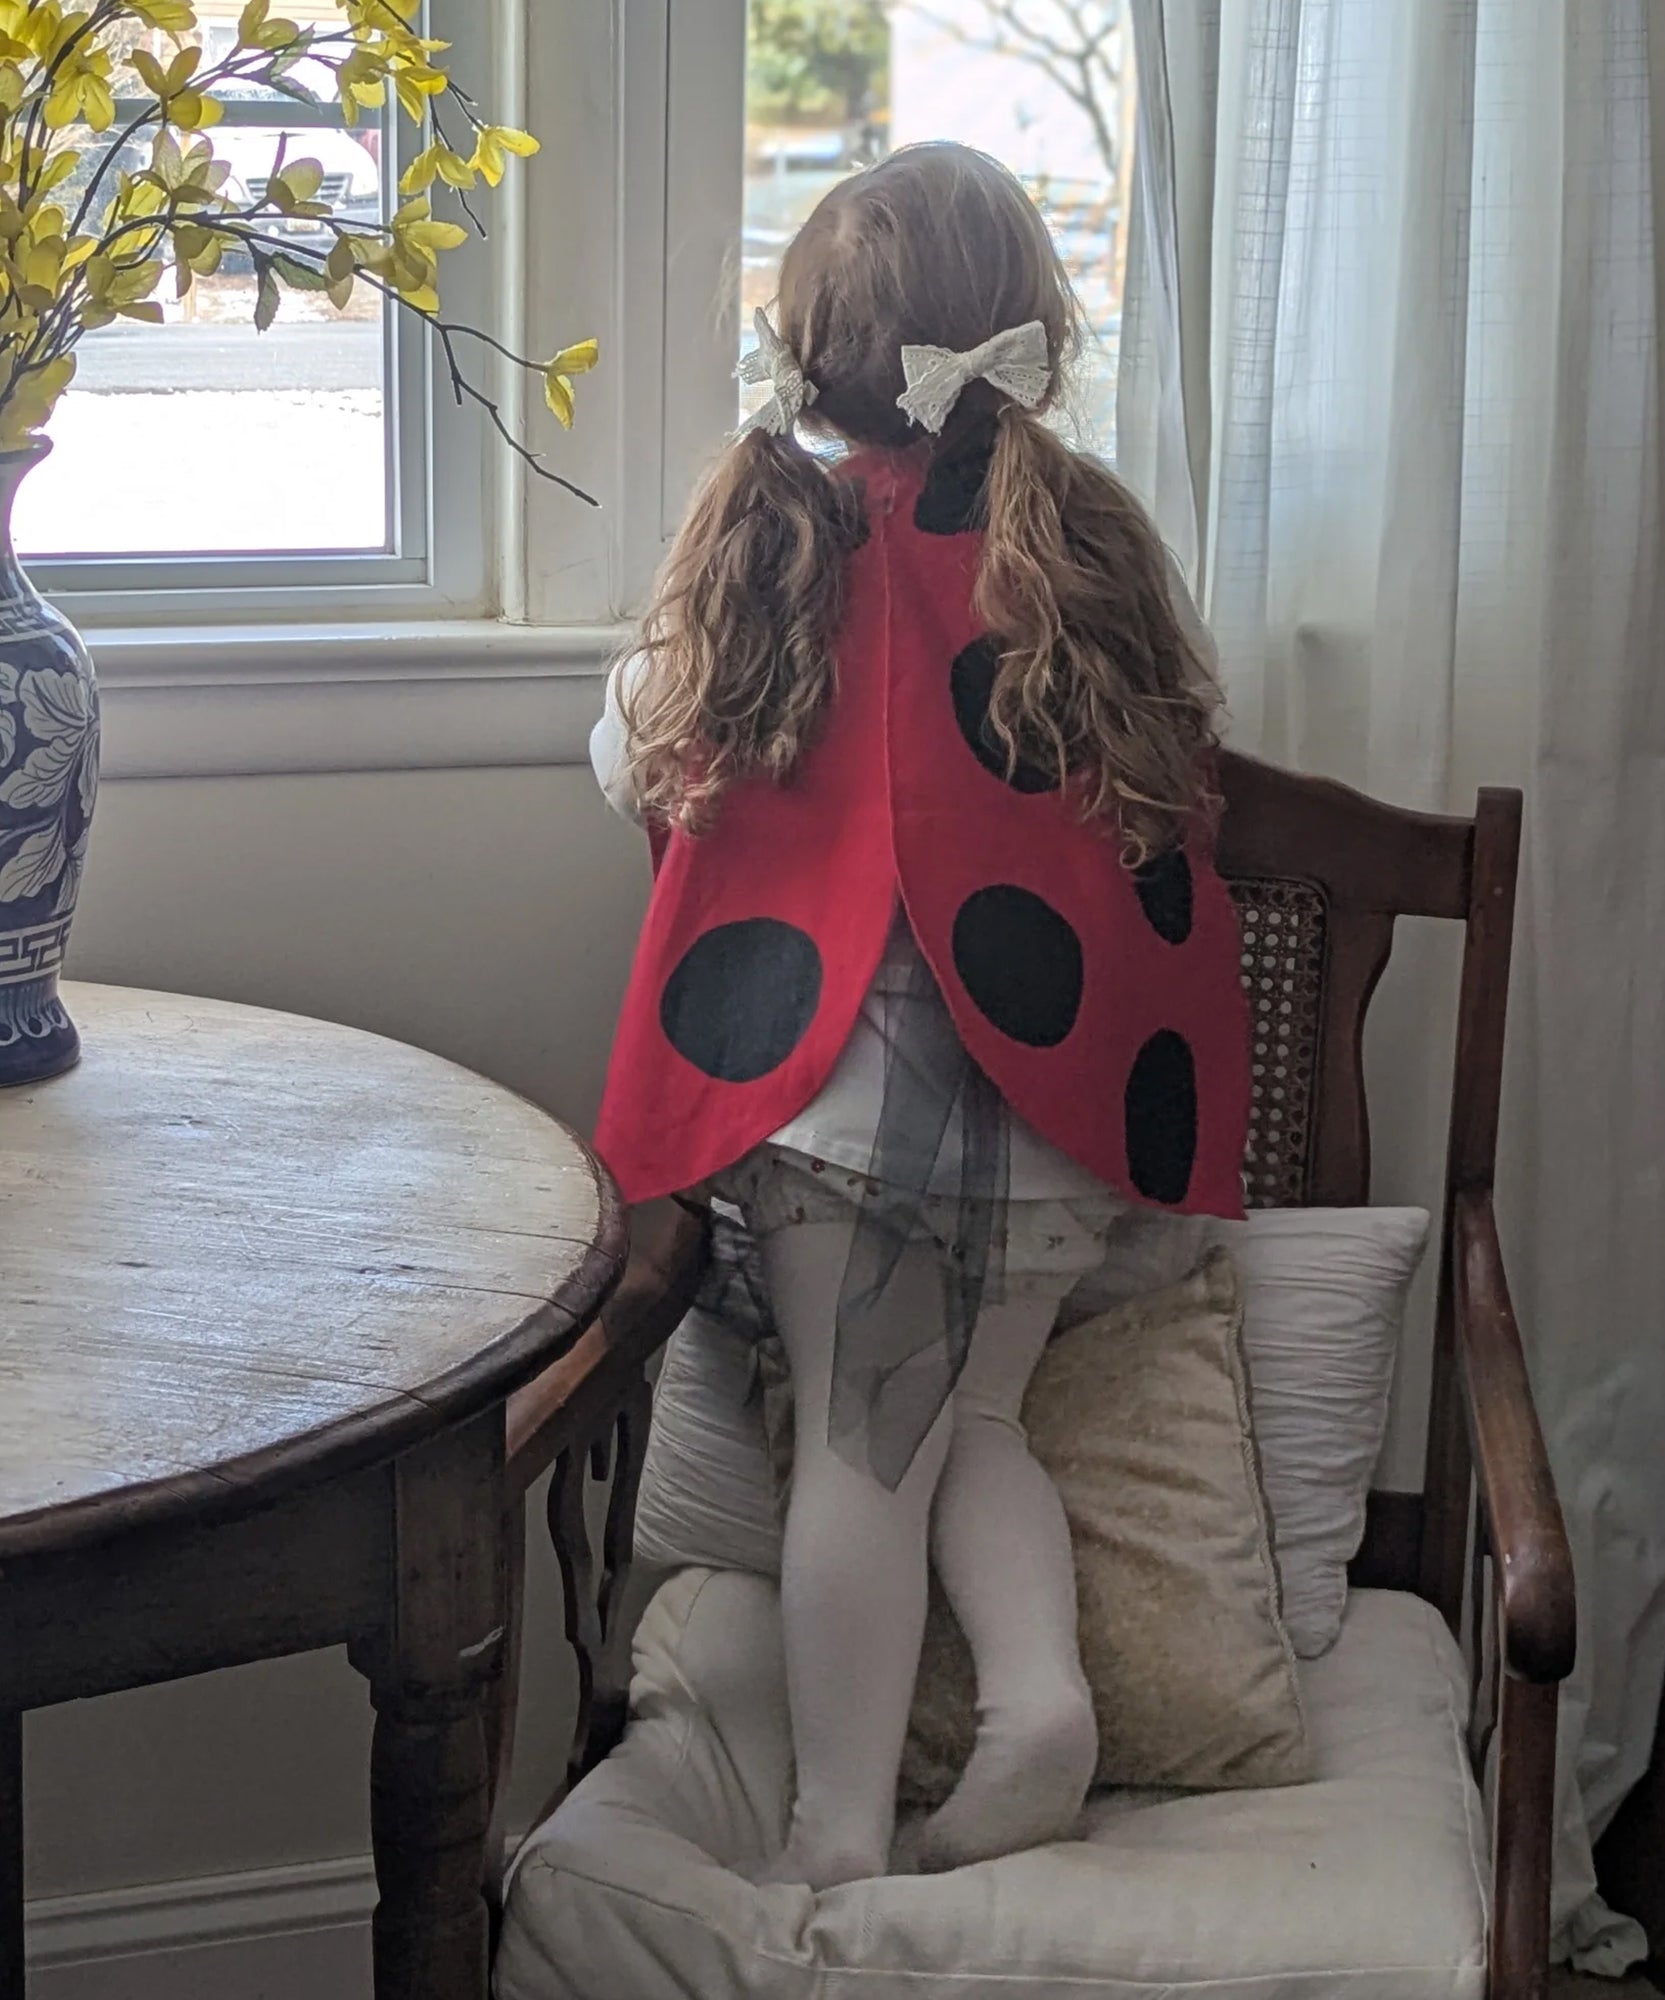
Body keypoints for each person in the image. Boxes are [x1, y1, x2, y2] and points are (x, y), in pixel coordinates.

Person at [590, 142, 1251, 1891]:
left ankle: (834, 1829)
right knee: (977, 1426)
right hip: (1061, 1098)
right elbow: (1177, 768)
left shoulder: (773, 524)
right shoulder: (1083, 534)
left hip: (849, 1099)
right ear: (1020, 333)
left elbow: (642, 764)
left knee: (862, 1450)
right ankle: (1038, 1706)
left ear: (812, 339)